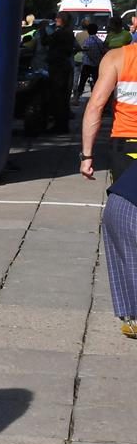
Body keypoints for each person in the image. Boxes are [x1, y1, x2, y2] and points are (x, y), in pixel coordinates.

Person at [80, 40, 137, 339]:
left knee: (127, 223)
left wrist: (87, 155)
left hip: (126, 147)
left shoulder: (117, 58)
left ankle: (134, 313)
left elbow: (96, 105)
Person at [42, 12, 77, 133]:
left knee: (58, 96)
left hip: (58, 66)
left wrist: (43, 29)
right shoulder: (68, 32)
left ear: (62, 20)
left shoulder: (60, 33)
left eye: (58, 18)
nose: (56, 19)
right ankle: (62, 124)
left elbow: (45, 41)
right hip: (63, 65)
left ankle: (60, 125)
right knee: (62, 97)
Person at [76, 21, 106, 101]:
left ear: (88, 31)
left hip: (87, 64)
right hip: (96, 65)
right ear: (96, 31)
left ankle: (76, 98)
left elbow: (85, 50)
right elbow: (103, 51)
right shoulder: (99, 41)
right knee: (96, 82)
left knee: (82, 82)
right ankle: (96, 98)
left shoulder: (87, 41)